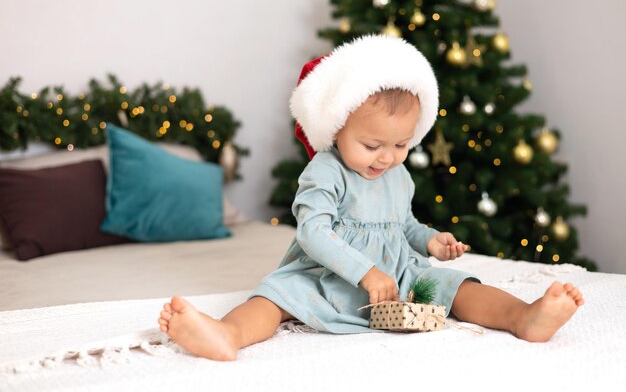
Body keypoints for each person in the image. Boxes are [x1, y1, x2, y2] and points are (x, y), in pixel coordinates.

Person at [157, 35, 584, 361]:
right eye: (372, 144)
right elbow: (313, 232)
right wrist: (365, 272)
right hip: (326, 276)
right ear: (336, 127)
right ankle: (226, 335)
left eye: (401, 145)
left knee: (460, 289)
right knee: (274, 299)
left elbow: (404, 224)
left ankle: (524, 317)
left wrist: (431, 241)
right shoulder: (326, 171)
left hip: (398, 279)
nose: (387, 158)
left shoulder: (397, 175)